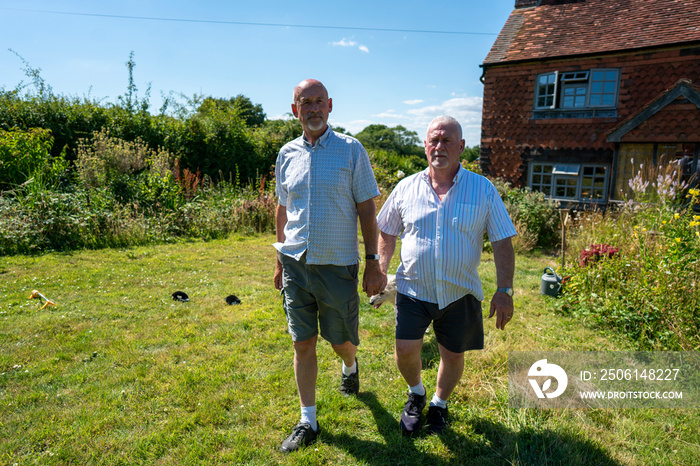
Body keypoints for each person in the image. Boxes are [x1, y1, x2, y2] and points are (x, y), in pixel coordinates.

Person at [376, 115, 516, 436]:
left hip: (460, 292)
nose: (439, 146)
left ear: (462, 147)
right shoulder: (406, 188)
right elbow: (386, 230)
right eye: (433, 141)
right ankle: (417, 393)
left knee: (452, 355)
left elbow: (502, 240)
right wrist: (381, 267)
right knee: (405, 350)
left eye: (447, 140)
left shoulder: (482, 190)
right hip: (413, 288)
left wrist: (505, 289)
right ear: (425, 146)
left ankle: (439, 403)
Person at [273, 79, 385, 452]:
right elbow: (283, 209)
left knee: (341, 342)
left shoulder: (351, 150)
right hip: (296, 264)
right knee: (302, 342)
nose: (313, 108)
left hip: (337, 266)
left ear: (331, 105)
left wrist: (373, 262)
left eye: (319, 101)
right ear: (295, 111)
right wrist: (278, 260)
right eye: (305, 102)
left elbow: (367, 207)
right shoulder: (286, 154)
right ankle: (308, 419)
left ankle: (350, 367)